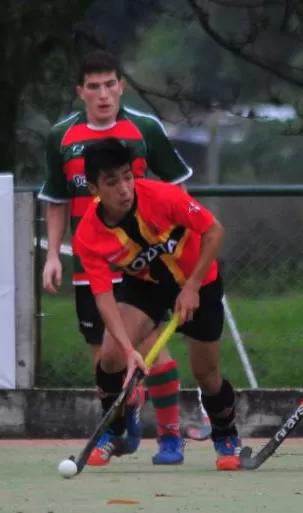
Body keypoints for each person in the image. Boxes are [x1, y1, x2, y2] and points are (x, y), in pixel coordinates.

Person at [38, 50, 203, 466]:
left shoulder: (144, 129)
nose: (103, 94)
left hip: (142, 261)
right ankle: (119, 433)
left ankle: (169, 437)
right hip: (90, 259)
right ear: (80, 92)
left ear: (121, 86)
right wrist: (54, 255)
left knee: (149, 347)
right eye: (93, 86)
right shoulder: (61, 137)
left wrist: (179, 248)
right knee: (105, 356)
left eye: (110, 84)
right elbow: (57, 199)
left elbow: (177, 188)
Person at [71, 138, 243, 471]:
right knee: (110, 357)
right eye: (112, 182)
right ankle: (114, 432)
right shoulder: (88, 236)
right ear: (94, 188)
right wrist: (128, 349)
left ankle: (226, 435)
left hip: (199, 280)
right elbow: (104, 297)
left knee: (207, 374)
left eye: (127, 176)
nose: (124, 189)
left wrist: (192, 286)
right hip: (146, 285)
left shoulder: (162, 196)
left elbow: (215, 232)